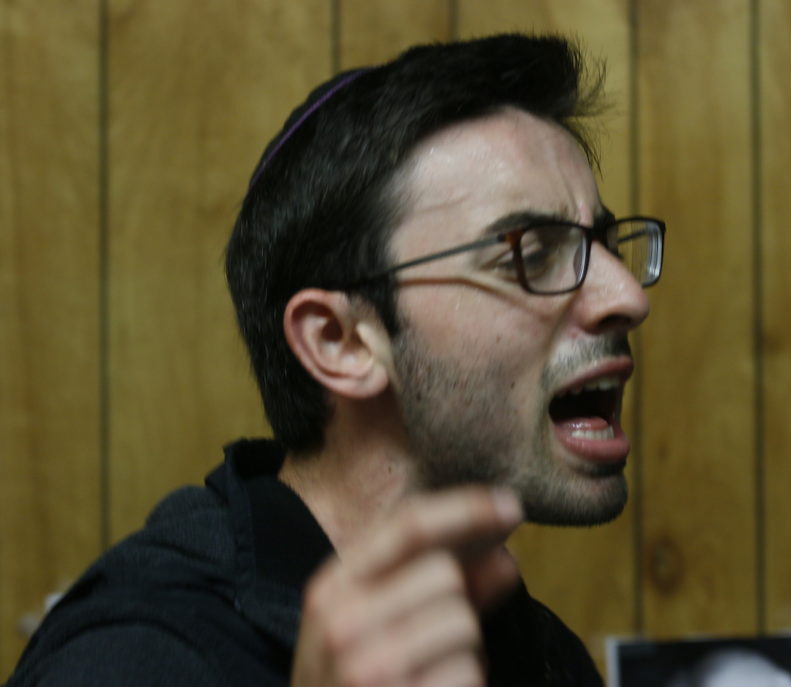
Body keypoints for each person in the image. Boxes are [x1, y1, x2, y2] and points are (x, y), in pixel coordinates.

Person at [6, 33, 665, 686]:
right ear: (338, 341)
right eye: (532, 253)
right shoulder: (132, 662)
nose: (627, 296)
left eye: (605, 245)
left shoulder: (533, 650)